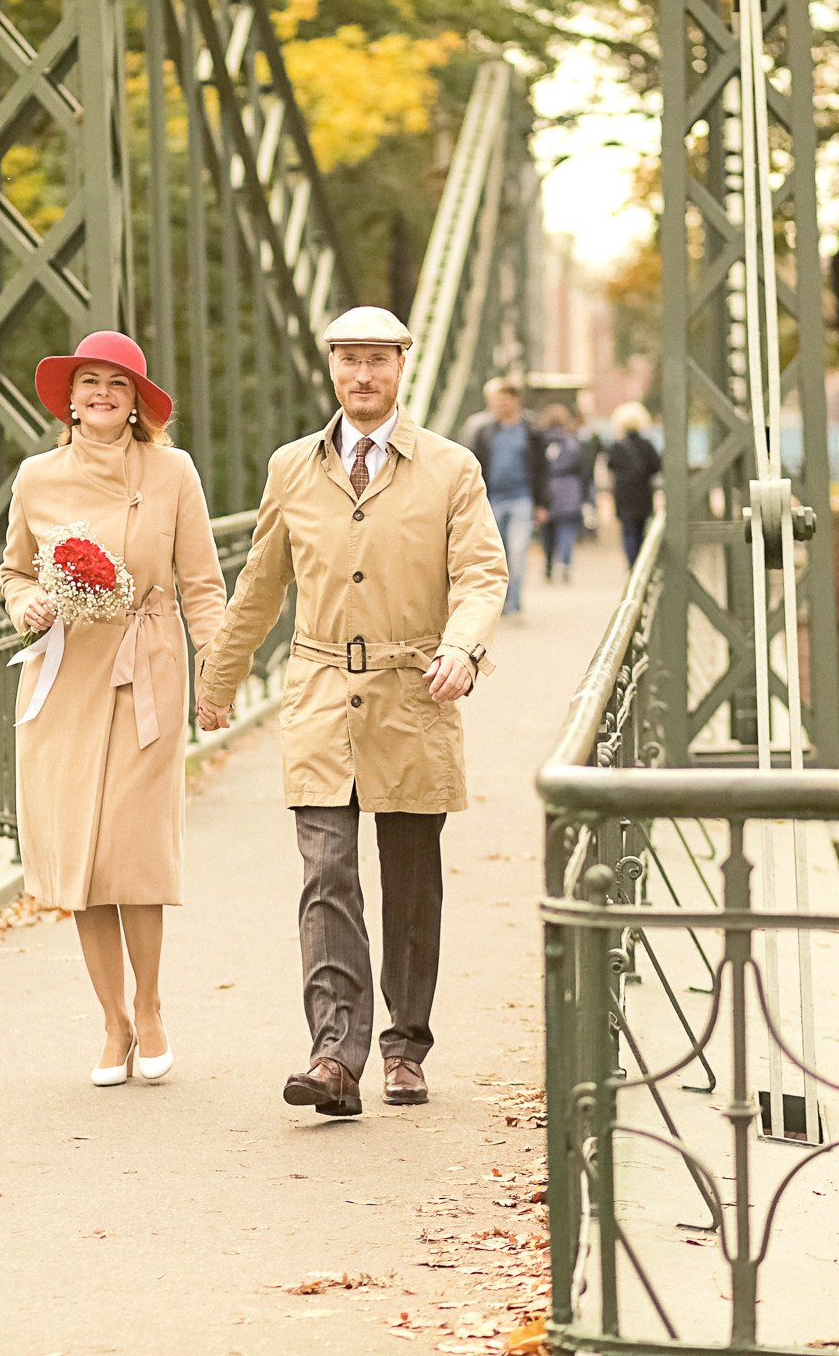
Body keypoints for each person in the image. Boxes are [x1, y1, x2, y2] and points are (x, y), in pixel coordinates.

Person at [194, 306, 508, 1118]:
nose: (361, 375)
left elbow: (480, 574)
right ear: (330, 368)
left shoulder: (451, 469)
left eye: (376, 359)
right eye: (347, 360)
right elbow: (262, 582)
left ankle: (406, 1045)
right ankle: (335, 1056)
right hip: (321, 696)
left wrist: (464, 648)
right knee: (327, 871)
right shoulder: (293, 468)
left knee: (410, 879)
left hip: (415, 691)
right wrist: (218, 679)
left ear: (402, 366)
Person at [1, 330, 227, 1087]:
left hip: (146, 666)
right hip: (63, 676)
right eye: (88, 381)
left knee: (131, 848)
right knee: (81, 856)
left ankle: (153, 1005)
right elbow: (13, 572)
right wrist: (29, 600)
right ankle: (113, 1023)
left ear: (137, 404)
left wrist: (217, 674)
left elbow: (202, 583)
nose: (101, 393)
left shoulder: (171, 472)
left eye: (118, 384)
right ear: (68, 398)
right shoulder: (36, 477)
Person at [466, 379, 541, 616]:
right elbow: (472, 464)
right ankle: (499, 602)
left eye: (503, 400)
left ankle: (514, 603)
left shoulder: (530, 430)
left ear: (515, 401)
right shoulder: (484, 431)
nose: (498, 405)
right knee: (495, 554)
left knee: (518, 552)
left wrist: (542, 503)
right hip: (492, 500)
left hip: (522, 498)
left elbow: (541, 469)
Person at [605, 402, 663, 567]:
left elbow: (611, 466)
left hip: (624, 493)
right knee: (641, 529)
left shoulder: (617, 446)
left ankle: (632, 564)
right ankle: (640, 562)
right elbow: (656, 466)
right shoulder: (646, 445)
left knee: (628, 531)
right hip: (642, 492)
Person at [537, 403, 588, 582]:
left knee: (547, 531)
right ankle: (565, 563)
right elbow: (581, 467)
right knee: (566, 530)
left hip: (547, 487)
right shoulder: (571, 441)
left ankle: (549, 565)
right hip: (568, 488)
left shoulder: (540, 440)